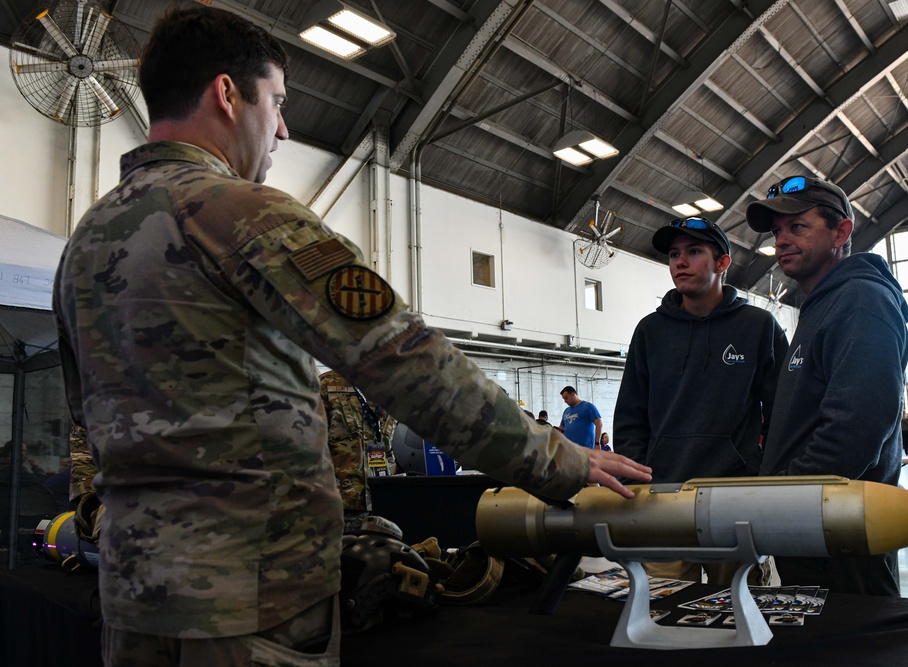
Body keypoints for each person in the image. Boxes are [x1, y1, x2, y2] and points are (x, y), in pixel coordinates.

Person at [51, 7, 652, 666]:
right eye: (276, 102)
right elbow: (405, 359)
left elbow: (85, 415)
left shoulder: (85, 244)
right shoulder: (243, 213)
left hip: (134, 599)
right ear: (227, 94)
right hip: (251, 599)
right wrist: (560, 461)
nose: (281, 128)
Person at [745, 174, 908, 596]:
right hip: (813, 525)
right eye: (778, 231)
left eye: (797, 227)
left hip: (839, 534)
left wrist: (783, 500)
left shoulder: (860, 300)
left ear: (841, 232)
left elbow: (855, 427)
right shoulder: (821, 306)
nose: (781, 240)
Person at [613, 217, 787, 584]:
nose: (680, 262)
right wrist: (639, 482)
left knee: (739, 614)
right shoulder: (650, 331)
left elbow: (781, 413)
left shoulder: (758, 327)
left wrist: (764, 477)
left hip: (734, 501)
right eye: (674, 254)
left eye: (694, 252)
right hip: (663, 499)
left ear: (722, 263)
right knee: (664, 613)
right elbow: (631, 415)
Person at [319, 369, 397, 533]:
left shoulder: (391, 391)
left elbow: (391, 450)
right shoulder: (327, 385)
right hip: (339, 510)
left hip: (382, 507)